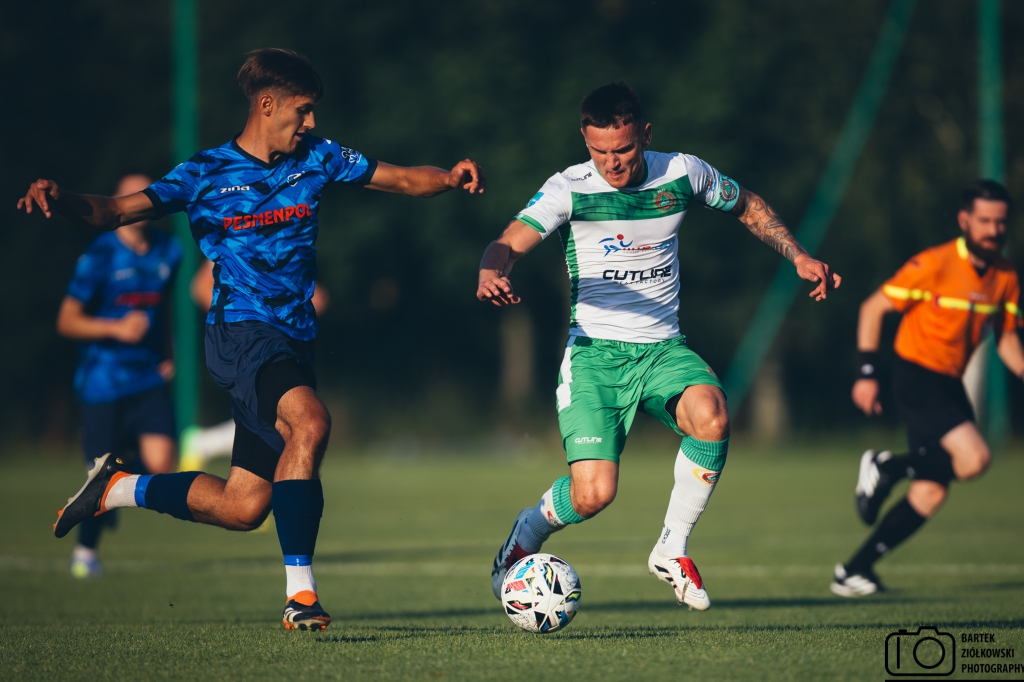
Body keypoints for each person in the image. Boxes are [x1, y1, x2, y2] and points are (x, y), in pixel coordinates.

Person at [18, 48, 484, 630]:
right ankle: (301, 595)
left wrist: (450, 177)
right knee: (310, 422)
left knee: (243, 507)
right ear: (267, 105)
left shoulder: (319, 157)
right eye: (303, 109)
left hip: (292, 339)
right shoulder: (206, 172)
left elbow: (405, 179)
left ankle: (118, 487)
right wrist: (61, 199)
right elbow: (114, 212)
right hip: (241, 334)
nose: (311, 122)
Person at [478, 83, 840, 610]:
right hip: (595, 357)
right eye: (599, 151)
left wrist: (799, 256)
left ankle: (671, 549)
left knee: (712, 415)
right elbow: (508, 243)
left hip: (663, 350)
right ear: (584, 140)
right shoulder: (568, 188)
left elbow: (746, 204)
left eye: (623, 149)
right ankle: (528, 529)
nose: (611, 163)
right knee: (594, 495)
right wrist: (490, 270)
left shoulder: (682, 173)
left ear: (645, 135)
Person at [832, 179, 1023, 597]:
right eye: (985, 221)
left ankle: (854, 571)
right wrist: (867, 373)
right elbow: (872, 308)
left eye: (1001, 222)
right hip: (916, 375)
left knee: (931, 491)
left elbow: (1007, 338)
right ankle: (887, 468)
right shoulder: (936, 263)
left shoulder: (1006, 275)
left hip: (950, 382)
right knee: (975, 458)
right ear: (964, 220)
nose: (994, 230)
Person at [57, 173, 181, 578]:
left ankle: (117, 486)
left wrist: (169, 353)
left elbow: (165, 310)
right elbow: (67, 321)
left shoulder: (169, 251)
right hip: (103, 382)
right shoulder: (100, 256)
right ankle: (85, 555)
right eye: (132, 194)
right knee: (98, 473)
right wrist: (116, 328)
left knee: (162, 463)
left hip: (147, 378)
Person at [177, 259, 330, 473]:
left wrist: (301, 299)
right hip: (252, 344)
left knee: (268, 433)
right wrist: (238, 321)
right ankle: (203, 444)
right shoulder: (233, 239)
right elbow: (201, 287)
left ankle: (204, 444)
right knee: (299, 423)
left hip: (284, 342)